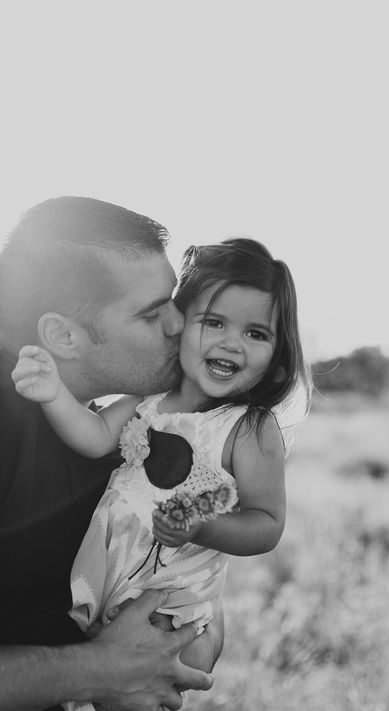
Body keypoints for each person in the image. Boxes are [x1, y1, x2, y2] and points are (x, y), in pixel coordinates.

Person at [12, 237, 312, 711]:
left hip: (174, 604)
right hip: (99, 583)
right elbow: (92, 436)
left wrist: (203, 524)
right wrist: (53, 394)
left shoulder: (247, 428)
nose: (232, 342)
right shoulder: (146, 401)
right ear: (184, 322)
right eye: (214, 322)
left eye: (257, 334)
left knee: (133, 693)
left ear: (277, 352)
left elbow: (267, 523)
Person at [0, 196, 219, 711]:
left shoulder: (132, 422)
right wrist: (99, 672)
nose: (180, 325)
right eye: (150, 313)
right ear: (63, 335)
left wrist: (180, 636)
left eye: (175, 302)